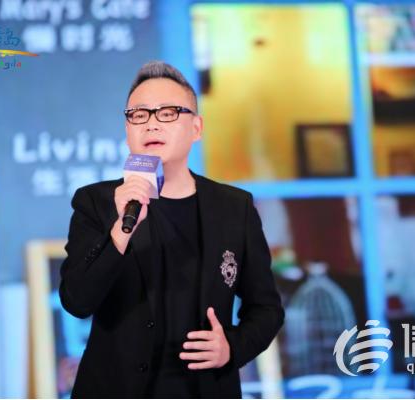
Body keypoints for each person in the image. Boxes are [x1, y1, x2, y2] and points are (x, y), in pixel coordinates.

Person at [59, 61, 284, 398]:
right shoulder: (97, 201)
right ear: (127, 129)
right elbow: (77, 300)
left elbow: (266, 308)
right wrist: (121, 230)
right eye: (139, 115)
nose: (151, 124)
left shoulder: (233, 207)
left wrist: (231, 348)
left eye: (167, 113)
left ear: (196, 128)